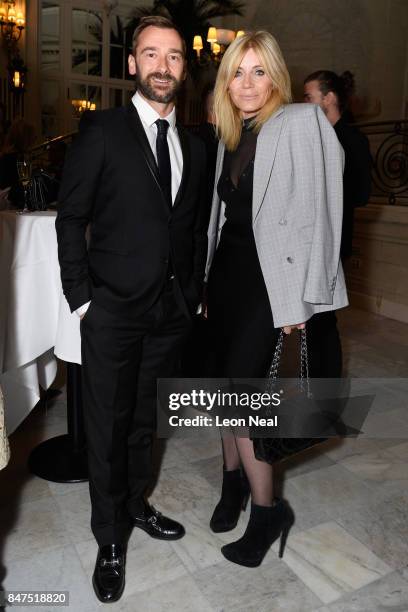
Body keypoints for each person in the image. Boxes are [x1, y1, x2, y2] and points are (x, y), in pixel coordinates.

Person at [56, 16, 208, 603]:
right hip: (112, 309)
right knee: (108, 425)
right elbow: (72, 219)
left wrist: (190, 295)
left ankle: (137, 503)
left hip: (168, 311)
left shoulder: (195, 145)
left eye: (173, 56)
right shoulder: (102, 131)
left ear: (183, 68)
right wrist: (83, 298)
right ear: (131, 65)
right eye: (151, 54)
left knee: (145, 421)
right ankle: (109, 537)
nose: (162, 66)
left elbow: (189, 231)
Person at [205, 31, 348, 567]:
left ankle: (268, 513)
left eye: (258, 71)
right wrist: (203, 284)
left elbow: (323, 211)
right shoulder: (227, 133)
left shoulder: (300, 122)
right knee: (221, 390)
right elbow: (220, 219)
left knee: (245, 400)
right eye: (237, 72)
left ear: (276, 76)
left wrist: (305, 302)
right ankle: (232, 482)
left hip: (272, 286)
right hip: (226, 279)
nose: (247, 83)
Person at [303, 70, 371, 377]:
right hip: (312, 241)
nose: (304, 103)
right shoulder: (317, 136)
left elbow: (361, 193)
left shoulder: (351, 138)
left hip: (333, 242)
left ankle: (325, 394)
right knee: (314, 320)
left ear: (328, 98)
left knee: (323, 321)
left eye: (308, 96)